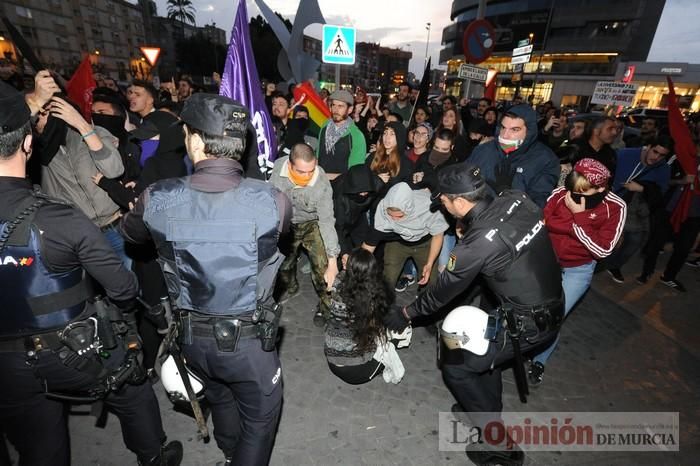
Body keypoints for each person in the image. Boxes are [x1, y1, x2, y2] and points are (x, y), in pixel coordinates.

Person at [0, 79, 182, 466]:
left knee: (40, 445)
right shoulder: (58, 217)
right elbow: (122, 288)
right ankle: (153, 455)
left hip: (9, 363)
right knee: (131, 385)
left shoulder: (89, 135)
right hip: (70, 347)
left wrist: (83, 126)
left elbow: (113, 166)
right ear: (28, 144)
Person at [120, 93, 290, 465]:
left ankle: (230, 455)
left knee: (219, 396)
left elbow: (131, 235)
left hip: (193, 340)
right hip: (248, 346)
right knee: (260, 419)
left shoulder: (157, 198)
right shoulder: (273, 201)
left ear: (195, 140)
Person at [383, 163, 564, 466]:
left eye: (443, 201)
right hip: (546, 299)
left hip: (529, 322)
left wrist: (405, 313)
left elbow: (442, 292)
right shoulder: (516, 199)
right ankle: (485, 409)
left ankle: (501, 444)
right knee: (481, 355)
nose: (441, 205)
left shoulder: (475, 245)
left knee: (456, 366)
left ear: (460, 201)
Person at [528, 158, 626, 385]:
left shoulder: (616, 207)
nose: (572, 195)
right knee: (527, 305)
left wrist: (578, 220)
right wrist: (577, 229)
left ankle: (539, 360)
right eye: (572, 188)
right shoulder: (562, 192)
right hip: (545, 260)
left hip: (577, 270)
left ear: (600, 188)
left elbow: (602, 250)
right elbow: (543, 222)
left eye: (582, 191)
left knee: (554, 317)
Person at [270, 143, 340, 326]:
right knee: (284, 265)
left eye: (311, 170)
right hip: (287, 225)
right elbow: (270, 203)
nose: (308, 177)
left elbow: (326, 220)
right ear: (290, 165)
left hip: (312, 225)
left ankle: (326, 308)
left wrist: (333, 261)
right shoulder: (278, 170)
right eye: (301, 172)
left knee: (323, 270)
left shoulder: (321, 182)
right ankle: (291, 287)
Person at [604, 136, 672, 283]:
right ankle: (595, 263)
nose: (657, 157)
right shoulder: (624, 154)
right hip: (610, 203)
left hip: (634, 211)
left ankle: (614, 266)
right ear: (648, 146)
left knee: (634, 242)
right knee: (609, 239)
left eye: (662, 155)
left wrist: (641, 188)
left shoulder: (663, 168)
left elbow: (662, 191)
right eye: (655, 151)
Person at [468, 103, 560, 207]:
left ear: (529, 132)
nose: (505, 135)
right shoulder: (483, 150)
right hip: (476, 217)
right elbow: (463, 182)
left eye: (514, 129)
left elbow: (536, 207)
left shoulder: (545, 160)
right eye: (503, 127)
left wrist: (509, 196)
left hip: (513, 220)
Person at [324, 249, 394, 384]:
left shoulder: (337, 281)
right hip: (356, 371)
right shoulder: (373, 299)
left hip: (332, 360)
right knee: (391, 336)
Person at [363, 182, 449, 288]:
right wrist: (359, 266)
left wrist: (430, 264)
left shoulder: (429, 206)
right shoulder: (382, 206)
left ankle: (423, 303)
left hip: (425, 244)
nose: (394, 220)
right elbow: (371, 241)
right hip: (397, 243)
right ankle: (384, 302)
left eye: (399, 216)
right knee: (388, 279)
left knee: (430, 282)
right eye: (391, 216)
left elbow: (438, 236)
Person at [317, 90, 367, 181]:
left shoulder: (356, 136)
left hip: (341, 187)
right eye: (333, 105)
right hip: (318, 184)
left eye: (340, 106)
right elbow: (318, 156)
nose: (335, 110)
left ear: (350, 109)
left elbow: (354, 173)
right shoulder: (325, 126)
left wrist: (324, 176)